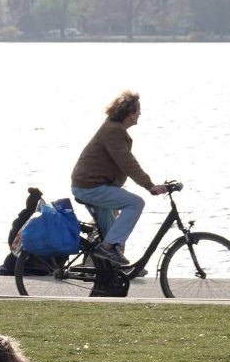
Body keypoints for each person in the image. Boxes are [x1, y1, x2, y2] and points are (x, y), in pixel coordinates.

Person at [71, 91, 167, 267]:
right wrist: (149, 185)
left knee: (111, 230)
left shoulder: (113, 128)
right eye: (138, 110)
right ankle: (107, 249)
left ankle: (107, 266)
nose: (140, 114)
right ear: (130, 113)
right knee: (135, 203)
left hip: (92, 185)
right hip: (90, 187)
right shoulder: (113, 131)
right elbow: (127, 163)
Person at [0, 187, 44, 276]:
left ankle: (0, 269)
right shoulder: (47, 219)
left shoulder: (22, 219)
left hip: (25, 264)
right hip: (46, 266)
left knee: (7, 265)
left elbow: (12, 244)